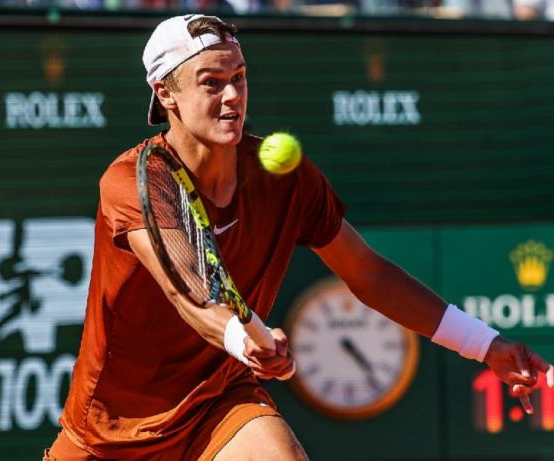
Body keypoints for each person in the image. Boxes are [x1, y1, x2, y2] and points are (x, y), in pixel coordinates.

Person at [43, 14, 554, 461]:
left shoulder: (286, 179)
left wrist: (485, 345)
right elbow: (189, 288)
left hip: (217, 406)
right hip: (109, 431)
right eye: (211, 82)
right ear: (165, 93)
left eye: (239, 78)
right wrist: (246, 338)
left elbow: (368, 273)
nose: (232, 96)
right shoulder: (135, 179)